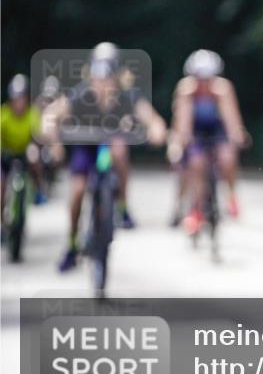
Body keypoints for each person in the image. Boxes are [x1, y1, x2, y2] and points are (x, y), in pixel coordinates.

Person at [42, 43, 167, 272]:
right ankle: (72, 243)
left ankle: (121, 205)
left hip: (110, 147)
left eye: (108, 75)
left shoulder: (128, 96)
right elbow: (51, 116)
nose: (102, 82)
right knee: (78, 191)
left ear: (117, 75)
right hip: (86, 148)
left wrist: (156, 130)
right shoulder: (81, 94)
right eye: (98, 75)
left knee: (119, 149)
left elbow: (151, 118)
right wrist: (54, 141)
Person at [168, 49, 247, 235]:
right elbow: (183, 121)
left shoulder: (222, 89)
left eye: (208, 78)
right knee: (196, 163)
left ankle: (232, 195)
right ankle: (197, 208)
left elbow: (231, 118)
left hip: (216, 129)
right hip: (195, 130)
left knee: (227, 157)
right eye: (199, 78)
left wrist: (237, 135)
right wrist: (179, 144)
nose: (204, 82)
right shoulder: (186, 90)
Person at [1, 75, 44, 232]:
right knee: (1, 186)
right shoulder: (4, 114)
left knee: (35, 158)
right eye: (16, 98)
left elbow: (37, 134)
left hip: (24, 154)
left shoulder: (32, 114)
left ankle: (39, 190)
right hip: (6, 154)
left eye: (22, 98)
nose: (19, 103)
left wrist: (35, 146)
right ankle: (1, 222)